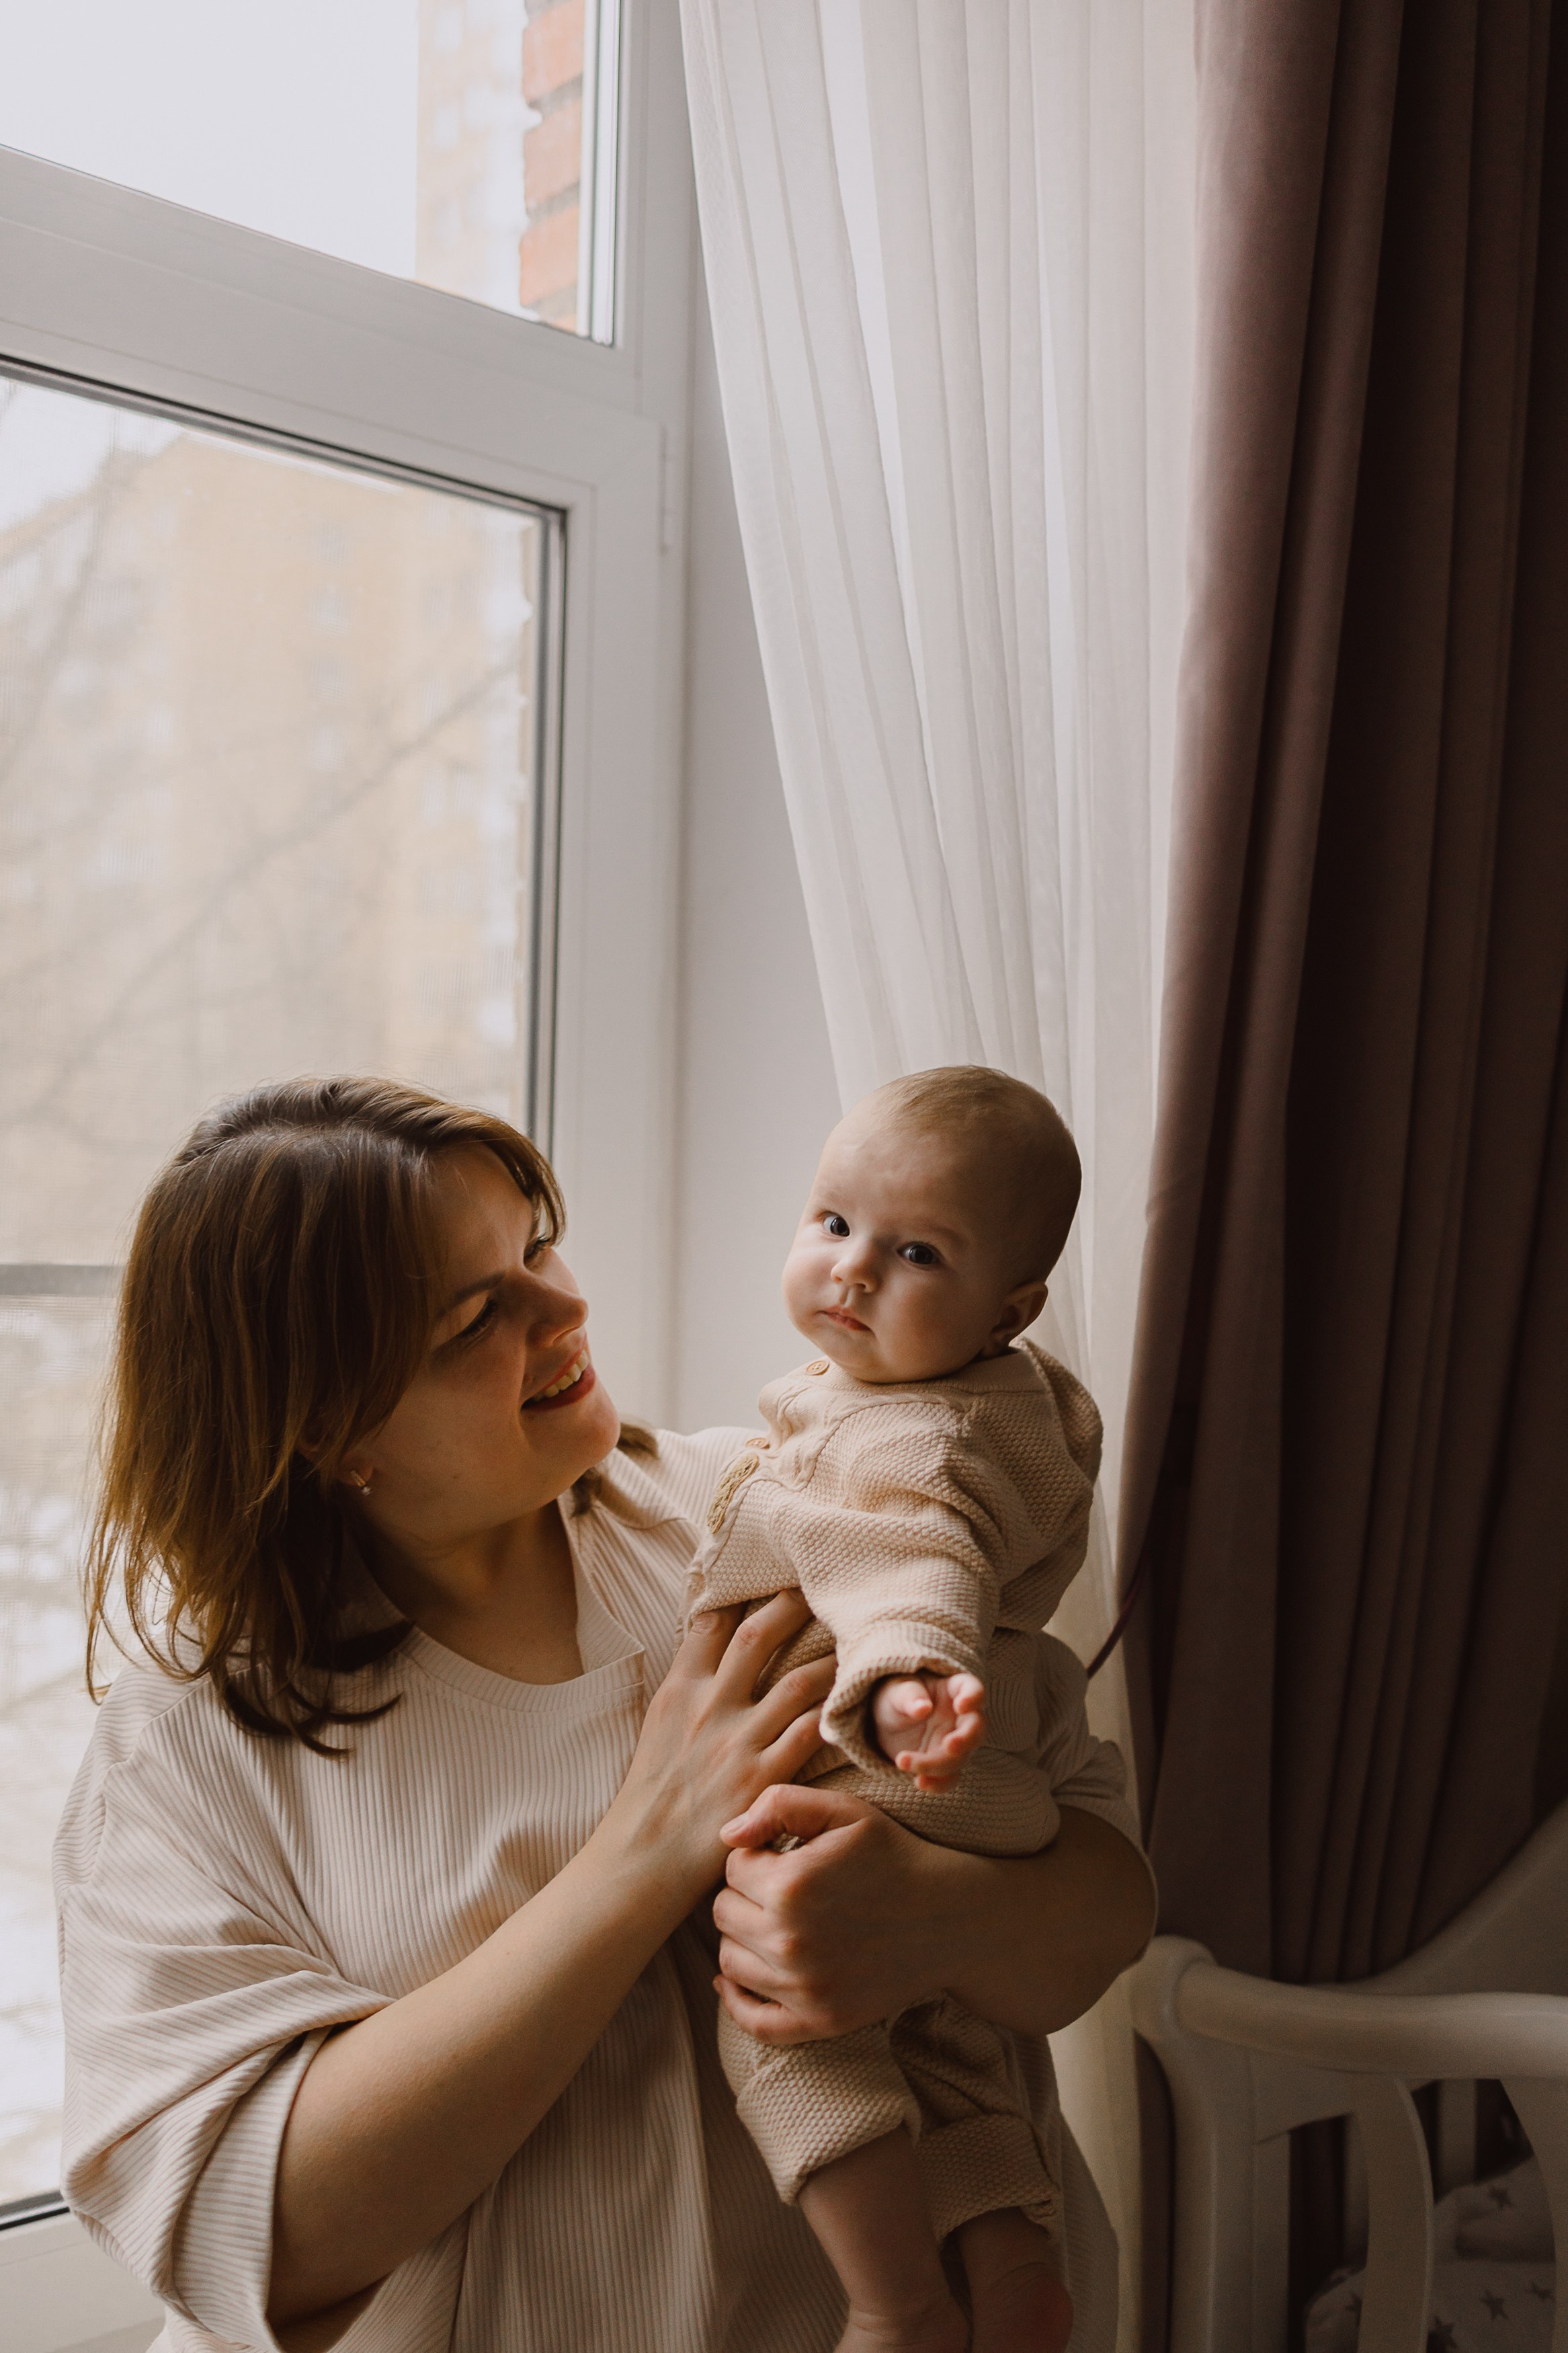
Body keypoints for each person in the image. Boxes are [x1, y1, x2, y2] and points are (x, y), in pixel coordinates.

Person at [54, 1076, 1153, 2353]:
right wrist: (644, 1852)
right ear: (320, 1426)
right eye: (476, 1317)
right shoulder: (188, 1740)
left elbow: (1107, 1888)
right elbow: (251, 2235)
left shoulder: (786, 1510)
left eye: (535, 1246)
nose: (564, 1306)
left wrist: (936, 1918)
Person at [690, 1068, 1099, 2353]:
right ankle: (1012, 2260)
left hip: (892, 1751)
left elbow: (914, 1560)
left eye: (914, 1252)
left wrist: (911, 1684)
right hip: (984, 1790)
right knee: (948, 2050)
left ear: (1007, 1311)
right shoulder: (981, 1403)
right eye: (831, 1224)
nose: (852, 1272)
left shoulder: (912, 1445)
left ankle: (895, 2304)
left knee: (791, 2032)